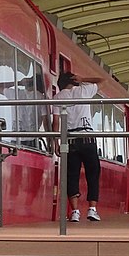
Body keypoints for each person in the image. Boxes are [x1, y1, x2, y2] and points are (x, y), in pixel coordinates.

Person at [52, 71, 106, 222]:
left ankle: (75, 212)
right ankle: (92, 209)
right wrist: (84, 79)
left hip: (70, 141)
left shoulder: (58, 97)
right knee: (93, 175)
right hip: (88, 139)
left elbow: (55, 123)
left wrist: (56, 142)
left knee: (72, 176)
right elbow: (103, 79)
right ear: (74, 81)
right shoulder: (84, 90)